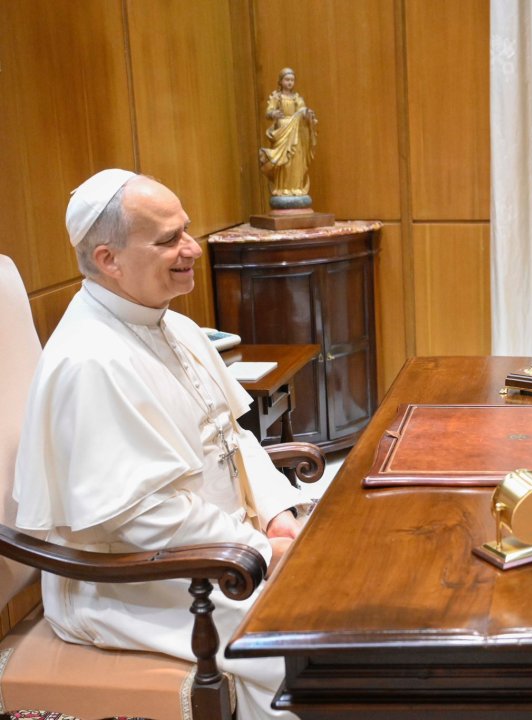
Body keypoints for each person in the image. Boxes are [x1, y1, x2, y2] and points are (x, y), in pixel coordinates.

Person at [13, 169, 309, 719]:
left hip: (215, 550)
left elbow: (233, 438)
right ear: (109, 260)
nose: (192, 248)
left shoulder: (171, 325)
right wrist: (260, 552)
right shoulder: (90, 360)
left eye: (186, 230)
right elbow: (143, 518)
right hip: (133, 582)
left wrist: (275, 516)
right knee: (302, 655)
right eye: (169, 239)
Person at [259, 67, 318, 206]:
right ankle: (282, 188)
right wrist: (273, 114)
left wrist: (308, 114)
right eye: (287, 79)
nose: (290, 82)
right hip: (282, 131)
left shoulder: (297, 98)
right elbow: (268, 112)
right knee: (284, 161)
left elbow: (303, 111)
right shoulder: (277, 97)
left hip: (295, 133)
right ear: (281, 81)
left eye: (292, 80)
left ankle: (296, 188)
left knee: (295, 159)